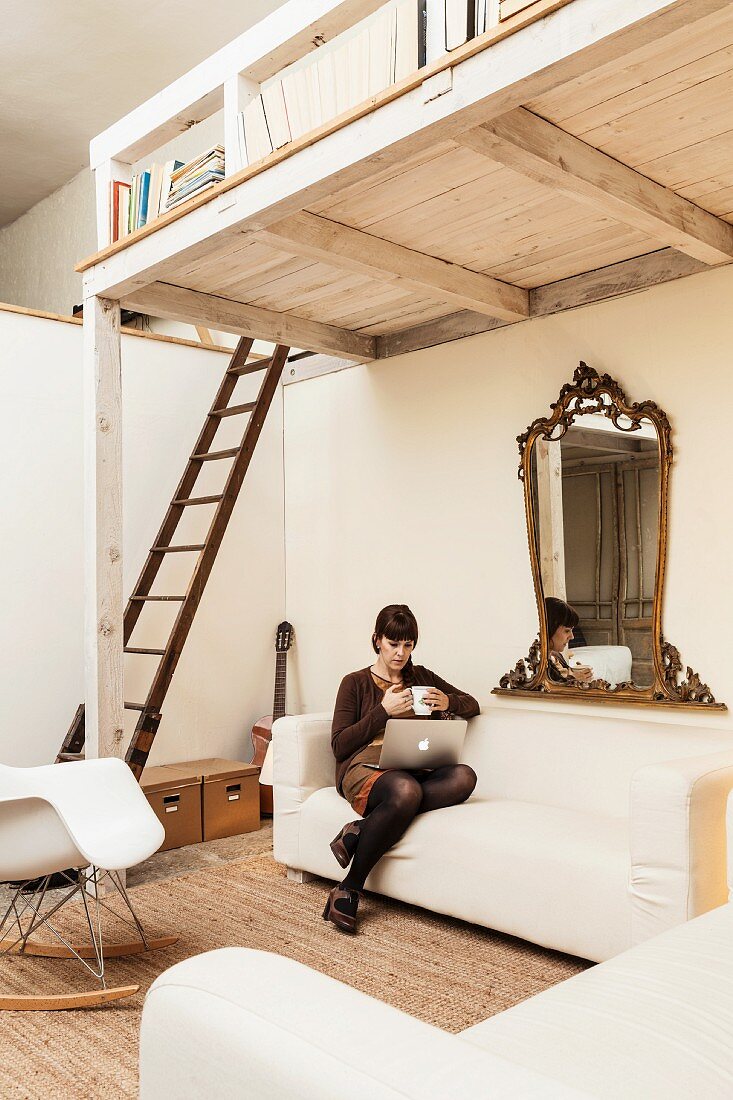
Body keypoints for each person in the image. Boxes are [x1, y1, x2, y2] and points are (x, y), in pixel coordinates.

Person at [323, 604, 480, 933]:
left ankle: (358, 831)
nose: (400, 653)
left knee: (464, 777)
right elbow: (339, 745)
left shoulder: (420, 677)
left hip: (413, 767)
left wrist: (449, 702)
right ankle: (350, 887)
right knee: (405, 791)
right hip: (365, 768)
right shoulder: (354, 683)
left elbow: (472, 703)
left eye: (407, 645)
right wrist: (383, 711)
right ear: (377, 640)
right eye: (394, 644)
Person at [545, 596, 594, 684]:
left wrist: (578, 675)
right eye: (567, 631)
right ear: (549, 628)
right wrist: (574, 679)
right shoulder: (539, 663)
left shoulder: (556, 656)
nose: (572, 637)